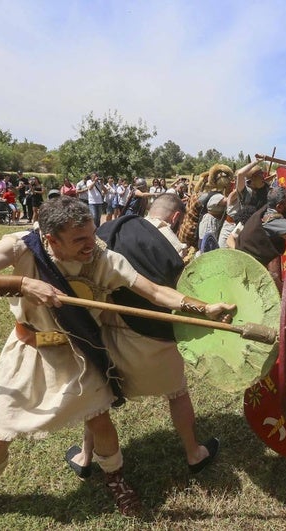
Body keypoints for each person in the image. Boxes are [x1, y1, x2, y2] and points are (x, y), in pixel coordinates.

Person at [0, 196, 235, 529]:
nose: (91, 244)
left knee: (100, 420)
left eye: (91, 234)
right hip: (30, 351)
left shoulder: (103, 257)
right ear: (51, 239)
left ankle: (115, 479)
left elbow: (155, 292)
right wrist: (21, 283)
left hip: (80, 352)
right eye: (79, 239)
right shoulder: (22, 247)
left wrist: (202, 307)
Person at [65, 193, 220, 490]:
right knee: (177, 393)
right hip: (157, 345)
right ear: (175, 218)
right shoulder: (175, 249)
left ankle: (85, 457)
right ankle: (194, 453)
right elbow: (175, 293)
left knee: (98, 401)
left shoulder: (106, 235)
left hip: (110, 341)